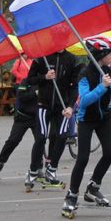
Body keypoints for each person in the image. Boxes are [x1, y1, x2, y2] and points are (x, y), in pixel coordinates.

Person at [62, 36, 111, 214]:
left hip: (104, 119)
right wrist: (102, 86)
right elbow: (84, 101)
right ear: (100, 54)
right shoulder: (84, 74)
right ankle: (71, 195)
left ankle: (93, 187)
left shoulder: (109, 71)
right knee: (83, 158)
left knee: (110, 151)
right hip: (86, 119)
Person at [23, 48, 80, 186]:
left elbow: (74, 86)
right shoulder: (42, 56)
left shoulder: (72, 59)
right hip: (44, 105)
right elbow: (29, 80)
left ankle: (52, 169)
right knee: (41, 137)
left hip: (63, 107)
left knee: (62, 136)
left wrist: (71, 106)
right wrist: (44, 77)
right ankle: (32, 171)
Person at [0, 78, 50, 189]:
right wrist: (35, 93)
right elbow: (21, 97)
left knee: (40, 140)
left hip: (37, 117)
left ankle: (38, 168)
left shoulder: (46, 82)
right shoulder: (25, 82)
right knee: (13, 140)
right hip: (22, 117)